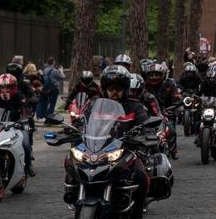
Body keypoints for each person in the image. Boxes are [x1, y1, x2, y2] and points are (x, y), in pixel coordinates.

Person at [64, 65, 149, 218]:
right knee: (71, 163)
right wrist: (72, 129)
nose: (114, 92)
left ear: (125, 89)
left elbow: (145, 124)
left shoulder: (135, 106)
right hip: (95, 149)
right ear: (104, 89)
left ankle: (137, 213)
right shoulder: (93, 105)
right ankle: (74, 192)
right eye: (110, 88)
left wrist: (144, 134)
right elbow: (81, 121)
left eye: (118, 88)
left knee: (141, 176)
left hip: (125, 150)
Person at [0, 73, 35, 177]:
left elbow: (26, 109)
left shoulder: (19, 96)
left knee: (26, 143)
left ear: (13, 87)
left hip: (17, 126)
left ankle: (28, 165)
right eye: (2, 87)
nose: (5, 90)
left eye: (7, 87)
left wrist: (24, 118)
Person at [145, 62, 180, 158]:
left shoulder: (169, 84)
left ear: (162, 75)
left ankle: (173, 150)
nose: (154, 77)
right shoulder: (144, 86)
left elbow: (177, 98)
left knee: (171, 130)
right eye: (151, 75)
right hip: (149, 112)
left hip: (167, 112)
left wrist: (173, 107)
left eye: (156, 74)